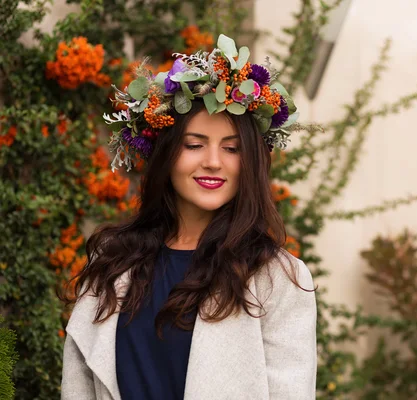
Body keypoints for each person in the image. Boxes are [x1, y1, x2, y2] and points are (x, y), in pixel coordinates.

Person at [60, 34, 317, 400]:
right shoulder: (114, 263)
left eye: (231, 148)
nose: (213, 161)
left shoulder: (276, 278)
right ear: (166, 155)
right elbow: (79, 386)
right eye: (194, 145)